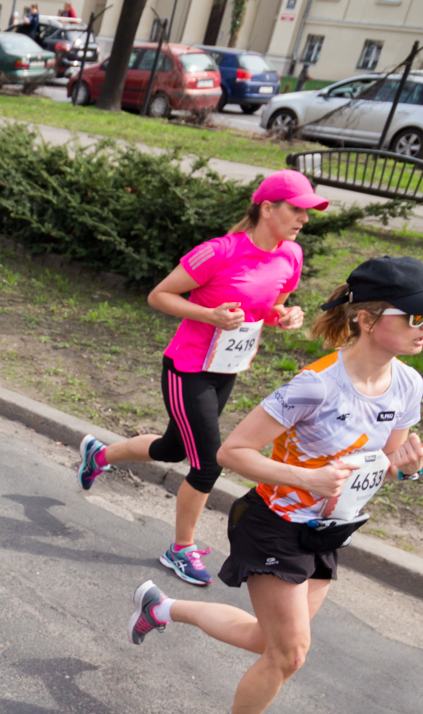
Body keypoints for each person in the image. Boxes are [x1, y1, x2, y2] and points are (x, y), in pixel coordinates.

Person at [127, 256, 423, 714]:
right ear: (367, 319)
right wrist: (309, 479)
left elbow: (388, 457)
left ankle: (163, 607)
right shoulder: (317, 385)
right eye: (415, 316)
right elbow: (234, 451)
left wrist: (408, 467)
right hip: (272, 521)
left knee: (265, 641)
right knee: (290, 652)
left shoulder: (407, 384)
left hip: (328, 529)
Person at [78, 172, 327, 588]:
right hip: (188, 368)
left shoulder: (291, 255)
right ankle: (181, 548)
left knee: (171, 448)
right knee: (209, 462)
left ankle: (99, 456)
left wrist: (285, 316)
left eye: (307, 210)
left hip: (226, 369)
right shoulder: (218, 252)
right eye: (296, 208)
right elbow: (159, 295)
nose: (304, 217)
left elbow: (271, 305)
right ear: (268, 209)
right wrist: (208, 315)